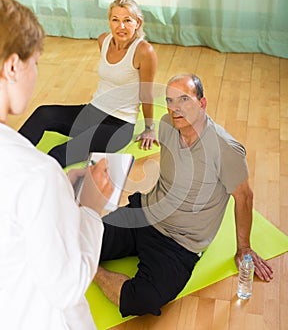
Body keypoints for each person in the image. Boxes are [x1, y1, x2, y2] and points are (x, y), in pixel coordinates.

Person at [93, 73, 274, 317]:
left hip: (179, 243)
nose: (175, 108)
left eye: (184, 99)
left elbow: (244, 197)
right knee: (82, 238)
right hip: (145, 214)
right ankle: (88, 256)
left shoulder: (226, 150)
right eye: (169, 101)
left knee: (141, 300)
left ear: (202, 103)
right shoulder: (167, 126)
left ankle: (91, 271)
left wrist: (244, 248)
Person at [0, 0, 113, 330]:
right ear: (12, 66)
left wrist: (59, 187)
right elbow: (67, 287)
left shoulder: (37, 175)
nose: (36, 73)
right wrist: (91, 209)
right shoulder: (36, 173)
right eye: (35, 63)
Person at [18, 0, 159, 168]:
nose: (121, 26)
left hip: (118, 127)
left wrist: (149, 128)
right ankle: (8, 156)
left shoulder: (144, 51)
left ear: (137, 22)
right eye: (115, 20)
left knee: (58, 153)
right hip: (91, 112)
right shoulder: (104, 40)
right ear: (109, 21)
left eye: (127, 21)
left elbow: (146, 93)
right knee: (43, 114)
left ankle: (27, 185)